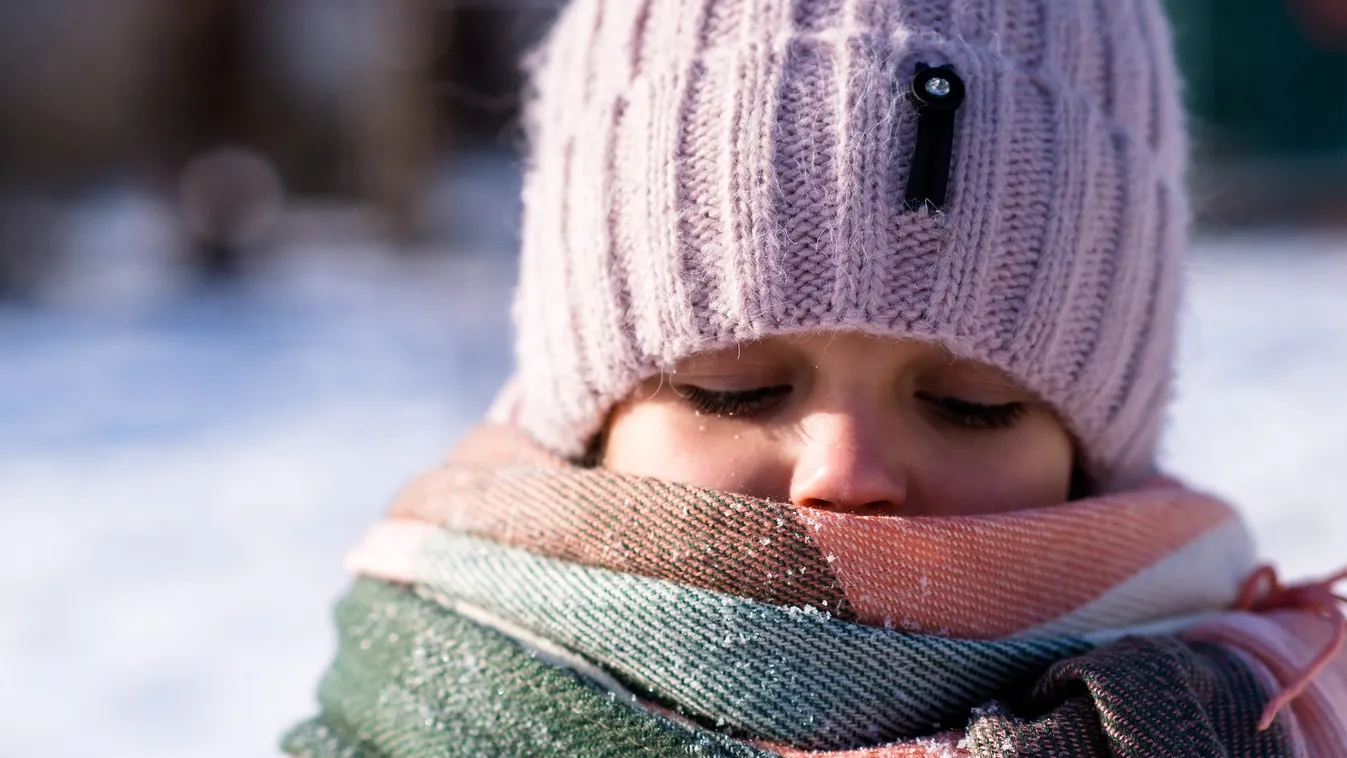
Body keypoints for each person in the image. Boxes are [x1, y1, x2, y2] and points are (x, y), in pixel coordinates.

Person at [283, 0, 1347, 755]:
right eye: (734, 386)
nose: (845, 473)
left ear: (1092, 451)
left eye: (971, 403)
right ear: (590, 420)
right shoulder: (402, 724)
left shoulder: (1257, 718)